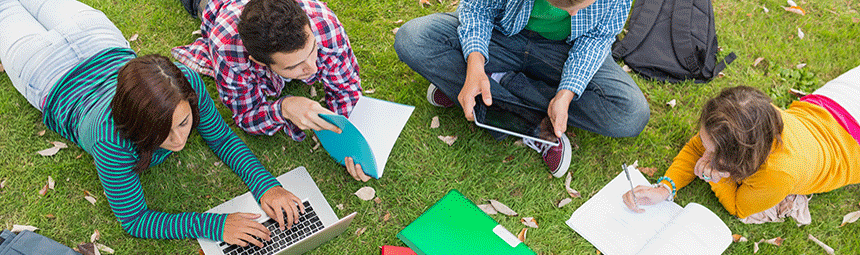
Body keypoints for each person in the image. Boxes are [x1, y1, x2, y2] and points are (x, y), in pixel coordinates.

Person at [0, 0, 306, 248]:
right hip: (40, 67)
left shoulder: (186, 82)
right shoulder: (110, 138)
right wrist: (217, 224)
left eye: (184, 123)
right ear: (134, 122)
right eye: (160, 131)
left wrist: (267, 186)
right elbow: (135, 220)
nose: (177, 141)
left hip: (94, 36)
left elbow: (222, 138)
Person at [394, 0, 650, 178]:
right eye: (563, 5)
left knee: (630, 113)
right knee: (413, 38)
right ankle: (531, 122)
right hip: (502, 33)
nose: (574, 15)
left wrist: (566, 93)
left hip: (564, 51)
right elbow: (478, 8)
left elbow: (596, 39)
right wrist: (474, 63)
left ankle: (490, 84)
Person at [172, 0, 370, 182]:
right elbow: (246, 115)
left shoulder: (323, 22)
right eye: (294, 66)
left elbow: (346, 88)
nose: (313, 68)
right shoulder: (227, 51)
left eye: (313, 50)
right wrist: (283, 107)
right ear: (259, 62)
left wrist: (350, 141)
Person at [622, 68, 860, 219]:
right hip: (837, 98)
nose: (700, 148)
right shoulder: (754, 118)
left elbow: (739, 207)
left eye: (711, 151)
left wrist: (716, 177)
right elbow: (696, 148)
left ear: (736, 159)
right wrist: (665, 188)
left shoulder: (777, 175)